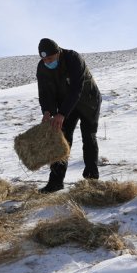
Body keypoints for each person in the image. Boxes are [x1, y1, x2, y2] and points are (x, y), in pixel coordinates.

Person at [36, 38, 102, 193]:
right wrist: (47, 111)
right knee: (61, 139)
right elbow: (44, 92)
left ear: (58, 52)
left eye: (50, 58)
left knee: (88, 137)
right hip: (66, 104)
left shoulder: (73, 58)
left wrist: (62, 114)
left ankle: (91, 179)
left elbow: (76, 89)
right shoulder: (42, 67)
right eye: (44, 59)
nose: (47, 62)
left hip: (88, 101)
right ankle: (55, 182)